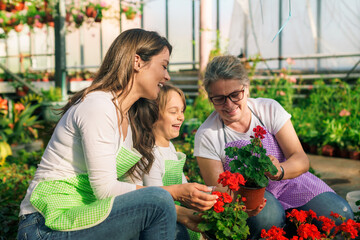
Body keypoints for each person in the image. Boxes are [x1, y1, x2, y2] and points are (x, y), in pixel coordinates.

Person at [17, 28, 217, 240]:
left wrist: (182, 212)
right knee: (160, 202)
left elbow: (131, 189)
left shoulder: (130, 120)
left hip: (83, 217)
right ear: (137, 62)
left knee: (174, 223)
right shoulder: (98, 106)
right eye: (164, 66)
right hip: (44, 225)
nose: (167, 76)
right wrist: (175, 194)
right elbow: (106, 190)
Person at [194, 55, 354, 239]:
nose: (229, 104)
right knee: (269, 219)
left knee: (341, 215)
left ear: (246, 88)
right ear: (210, 98)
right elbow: (220, 189)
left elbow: (300, 159)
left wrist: (279, 171)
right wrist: (246, 198)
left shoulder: (269, 109)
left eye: (234, 95)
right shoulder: (207, 134)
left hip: (290, 182)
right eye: (219, 99)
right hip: (248, 194)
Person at [142, 84, 201, 240]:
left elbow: (183, 186)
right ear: (152, 115)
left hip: (173, 211)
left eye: (182, 111)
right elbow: (155, 197)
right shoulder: (150, 153)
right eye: (173, 112)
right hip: (158, 219)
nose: (181, 116)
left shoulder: (170, 147)